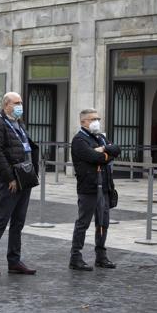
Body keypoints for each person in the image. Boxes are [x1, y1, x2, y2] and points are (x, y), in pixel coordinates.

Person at [0, 92, 39, 277]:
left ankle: (14, 260)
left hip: (25, 178)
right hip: (11, 181)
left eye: (21, 102)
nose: (20, 105)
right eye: (16, 102)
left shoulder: (19, 124)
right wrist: (10, 178)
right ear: (6, 105)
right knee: (1, 220)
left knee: (18, 222)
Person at [69, 108, 120, 271]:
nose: (96, 122)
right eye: (93, 119)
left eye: (98, 118)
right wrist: (105, 153)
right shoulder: (79, 140)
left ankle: (101, 256)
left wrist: (103, 150)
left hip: (104, 186)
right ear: (83, 122)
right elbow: (93, 157)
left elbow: (116, 150)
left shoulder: (101, 137)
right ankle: (75, 257)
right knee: (83, 222)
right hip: (88, 187)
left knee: (103, 222)